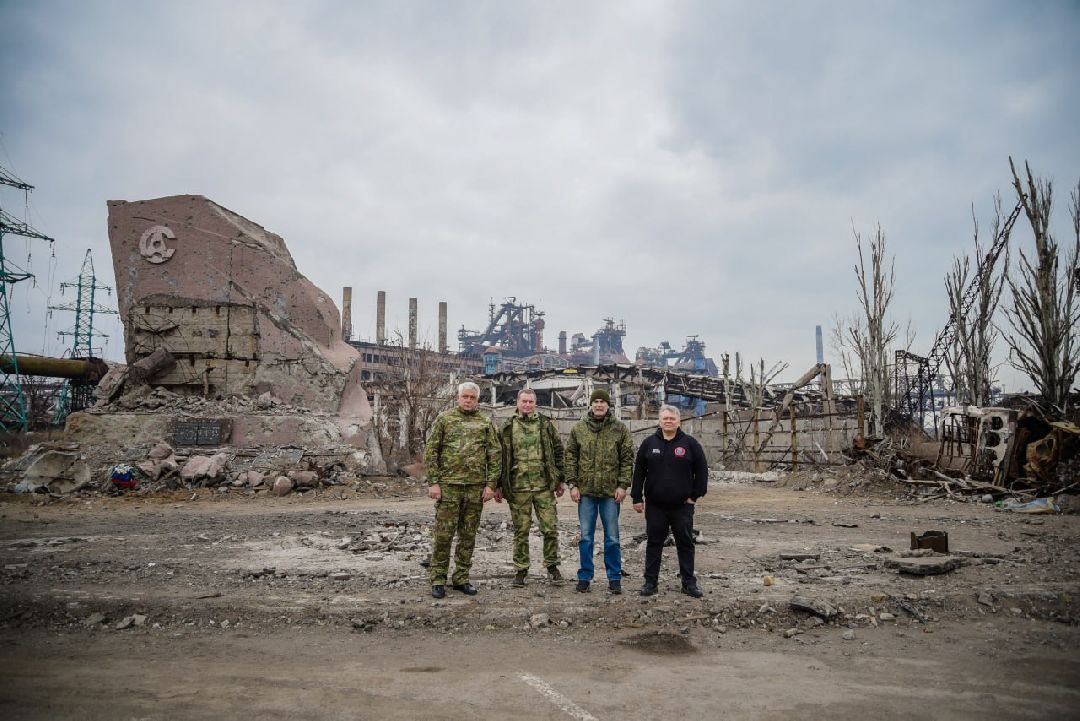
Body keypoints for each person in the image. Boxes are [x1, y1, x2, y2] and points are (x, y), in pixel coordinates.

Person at [424, 381, 501, 598]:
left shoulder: (485, 423)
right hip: (449, 487)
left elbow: (495, 456)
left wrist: (490, 485)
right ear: (458, 398)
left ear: (478, 400)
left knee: (468, 536)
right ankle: (438, 578)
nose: (468, 401)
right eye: (465, 397)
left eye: (472, 398)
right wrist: (434, 482)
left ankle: (461, 577)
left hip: (475, 489)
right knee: (443, 535)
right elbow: (432, 451)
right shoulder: (444, 419)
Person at [631, 404, 708, 598]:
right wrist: (636, 497)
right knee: (654, 543)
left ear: (678, 421)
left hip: (682, 506)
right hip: (655, 506)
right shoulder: (649, 444)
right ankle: (650, 583)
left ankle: (689, 584)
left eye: (672, 419)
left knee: (685, 544)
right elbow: (639, 472)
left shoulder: (690, 444)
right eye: (665, 418)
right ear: (659, 421)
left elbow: (702, 471)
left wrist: (695, 495)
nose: (668, 421)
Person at [565, 388, 634, 594]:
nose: (599, 405)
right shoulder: (579, 429)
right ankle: (585, 576)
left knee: (612, 538)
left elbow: (627, 459)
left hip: (610, 494)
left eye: (602, 402)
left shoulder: (619, 429)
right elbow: (570, 458)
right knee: (586, 537)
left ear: (608, 405)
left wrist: (622, 485)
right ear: (590, 404)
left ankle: (614, 577)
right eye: (595, 401)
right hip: (585, 493)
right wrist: (573, 484)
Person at [496, 388, 566, 587]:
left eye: (530, 401)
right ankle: (521, 570)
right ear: (517, 402)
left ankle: (552, 567)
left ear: (535, 403)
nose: (527, 405)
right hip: (518, 489)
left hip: (544, 487)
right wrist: (498, 485)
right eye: (524, 401)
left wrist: (561, 479)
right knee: (521, 531)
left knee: (550, 529)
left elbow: (559, 451)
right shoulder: (507, 427)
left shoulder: (545, 424)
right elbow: (499, 458)